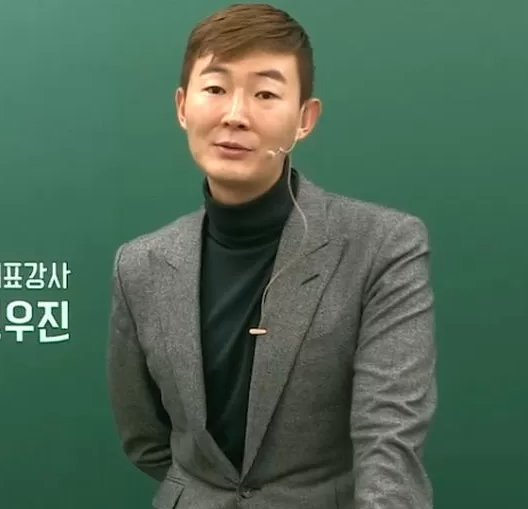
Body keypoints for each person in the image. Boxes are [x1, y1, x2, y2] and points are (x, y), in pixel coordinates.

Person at [107, 3, 437, 508]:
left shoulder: (383, 245)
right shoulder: (139, 265)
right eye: (215, 89)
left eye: (265, 94)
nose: (235, 115)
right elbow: (144, 438)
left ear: (305, 119)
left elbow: (389, 439)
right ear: (182, 106)